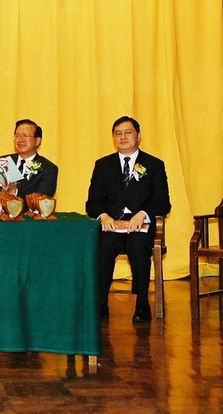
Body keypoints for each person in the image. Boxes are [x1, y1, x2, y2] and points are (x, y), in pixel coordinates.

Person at [86, 116, 170, 322]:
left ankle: (142, 303)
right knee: (104, 245)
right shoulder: (103, 165)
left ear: (138, 136)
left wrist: (143, 214)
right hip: (112, 226)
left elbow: (163, 202)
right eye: (118, 133)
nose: (123, 137)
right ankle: (101, 302)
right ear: (113, 138)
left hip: (140, 226)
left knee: (137, 245)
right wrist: (104, 216)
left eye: (128, 132)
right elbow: (92, 202)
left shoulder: (154, 165)